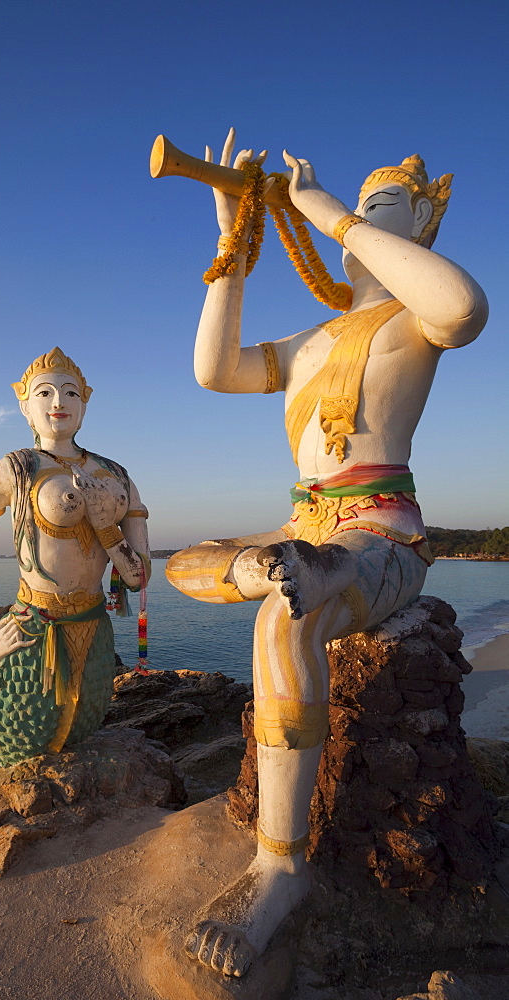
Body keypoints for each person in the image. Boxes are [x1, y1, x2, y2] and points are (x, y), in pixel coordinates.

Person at [165, 130, 488, 978]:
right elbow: (216, 370)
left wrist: (333, 214)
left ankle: (280, 865)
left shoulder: (415, 321)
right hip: (304, 526)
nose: (363, 220)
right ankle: (278, 567)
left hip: (378, 531)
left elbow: (465, 308)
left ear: (421, 231)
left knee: (284, 617)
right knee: (184, 561)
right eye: (364, 205)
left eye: (390, 210)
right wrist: (233, 239)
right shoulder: (310, 340)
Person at [0, 347, 150, 768]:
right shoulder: (14, 468)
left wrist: (105, 528)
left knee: (79, 722)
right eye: (44, 393)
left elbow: (137, 578)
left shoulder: (116, 475)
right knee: (10, 730)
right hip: (31, 631)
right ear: (24, 404)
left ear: (85, 401)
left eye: (71, 393)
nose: (59, 403)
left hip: (93, 630)